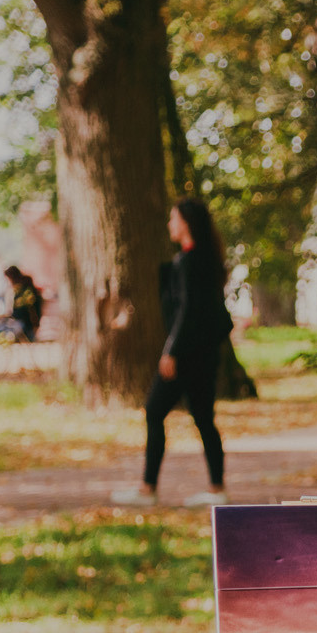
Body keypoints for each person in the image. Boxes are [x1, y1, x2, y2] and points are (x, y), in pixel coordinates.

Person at [115, 200, 232, 506]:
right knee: (204, 419)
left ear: (187, 223)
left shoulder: (190, 262)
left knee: (154, 411)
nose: (169, 224)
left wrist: (171, 351)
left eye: (173, 218)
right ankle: (217, 490)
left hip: (186, 356)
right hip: (204, 354)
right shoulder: (205, 259)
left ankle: (147, 490)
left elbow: (187, 311)